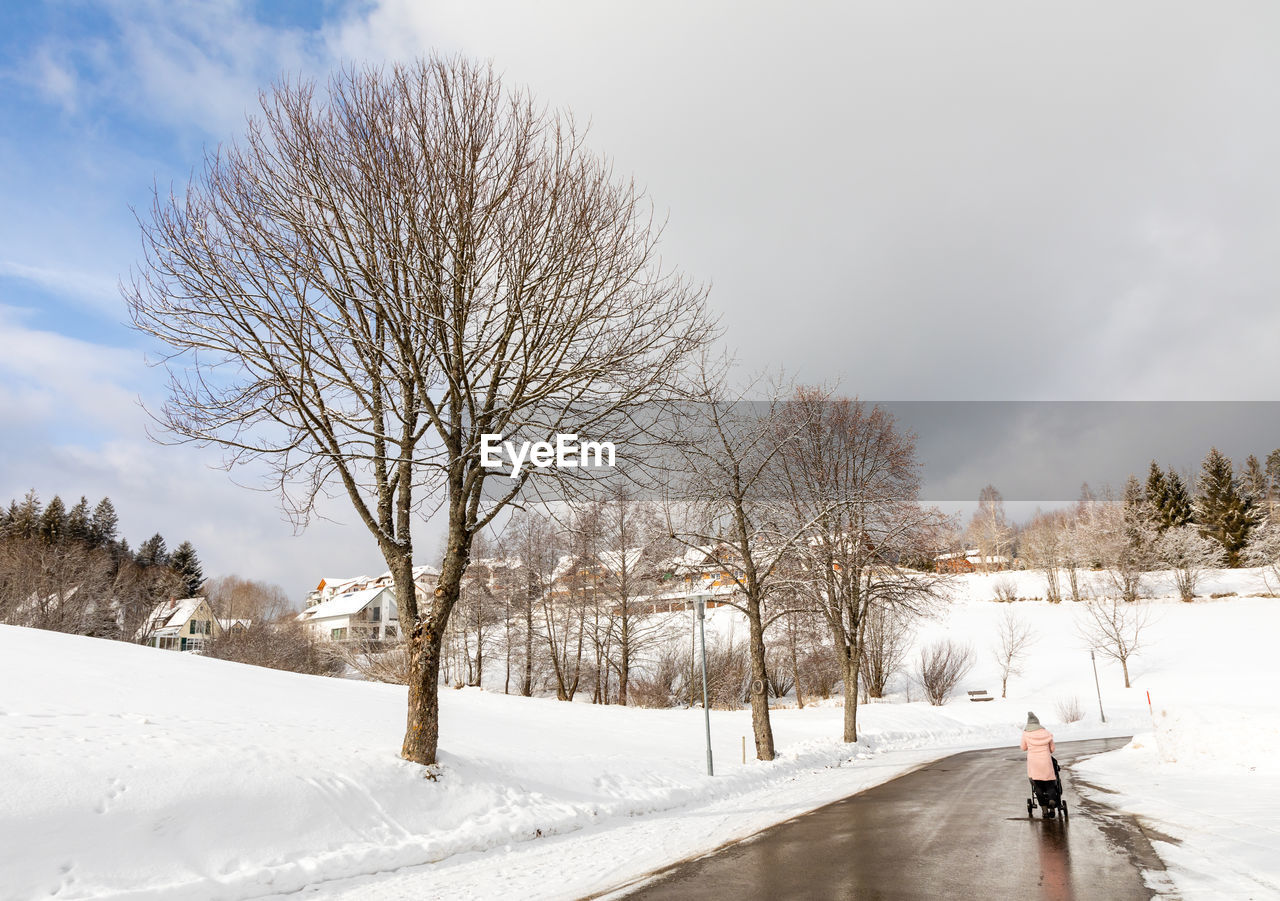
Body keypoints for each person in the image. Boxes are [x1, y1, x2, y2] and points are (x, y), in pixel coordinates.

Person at [1020, 711, 1056, 780]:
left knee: (1037, 787)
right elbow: (1052, 749)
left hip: (1033, 764)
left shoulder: (1026, 733)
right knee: (1050, 787)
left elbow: (1023, 748)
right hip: (1046, 763)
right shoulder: (1046, 732)